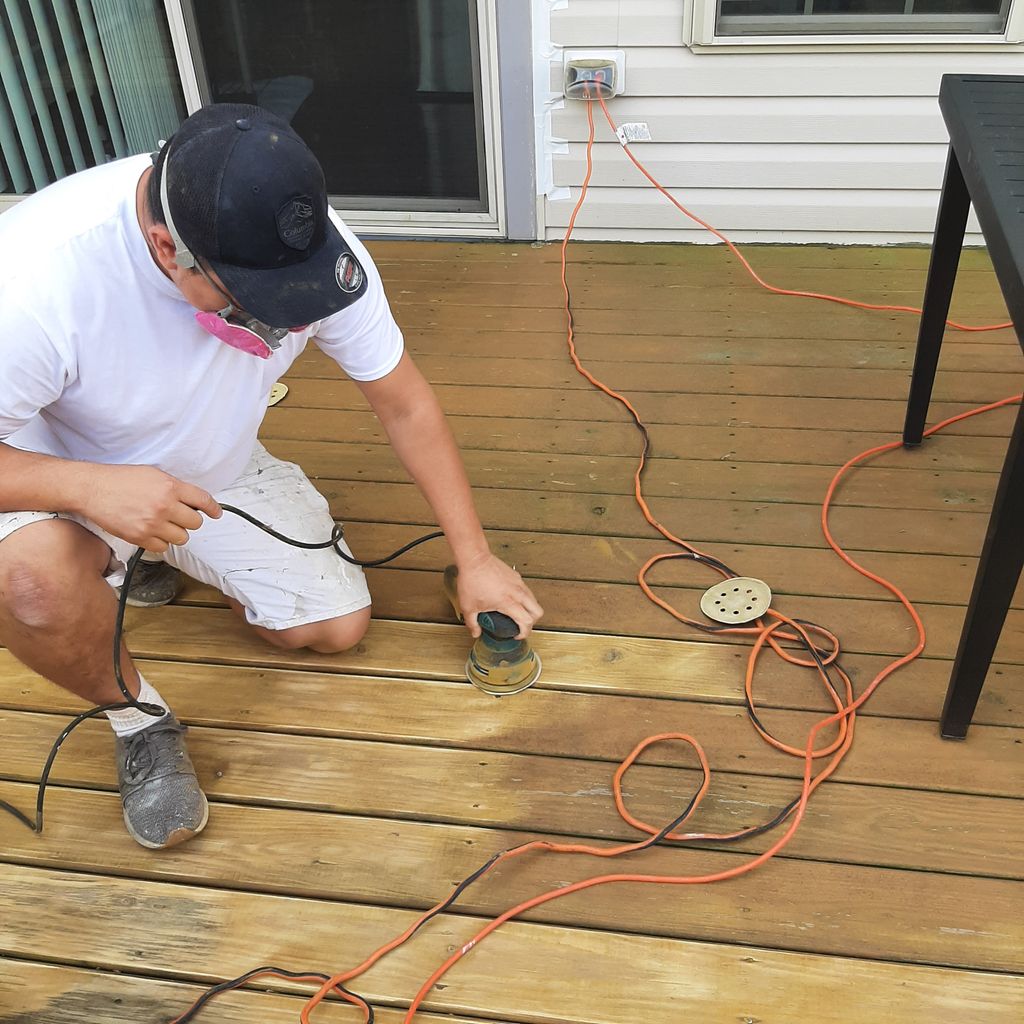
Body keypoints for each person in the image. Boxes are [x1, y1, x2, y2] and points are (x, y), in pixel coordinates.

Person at [0, 104, 543, 850]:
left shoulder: (304, 245)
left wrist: (475, 558)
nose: (277, 322)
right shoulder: (33, 282)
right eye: (250, 301)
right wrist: (90, 489)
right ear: (166, 249)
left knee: (334, 626)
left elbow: (405, 403)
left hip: (206, 465)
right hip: (51, 475)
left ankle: (147, 556)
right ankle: (138, 719)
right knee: (33, 587)